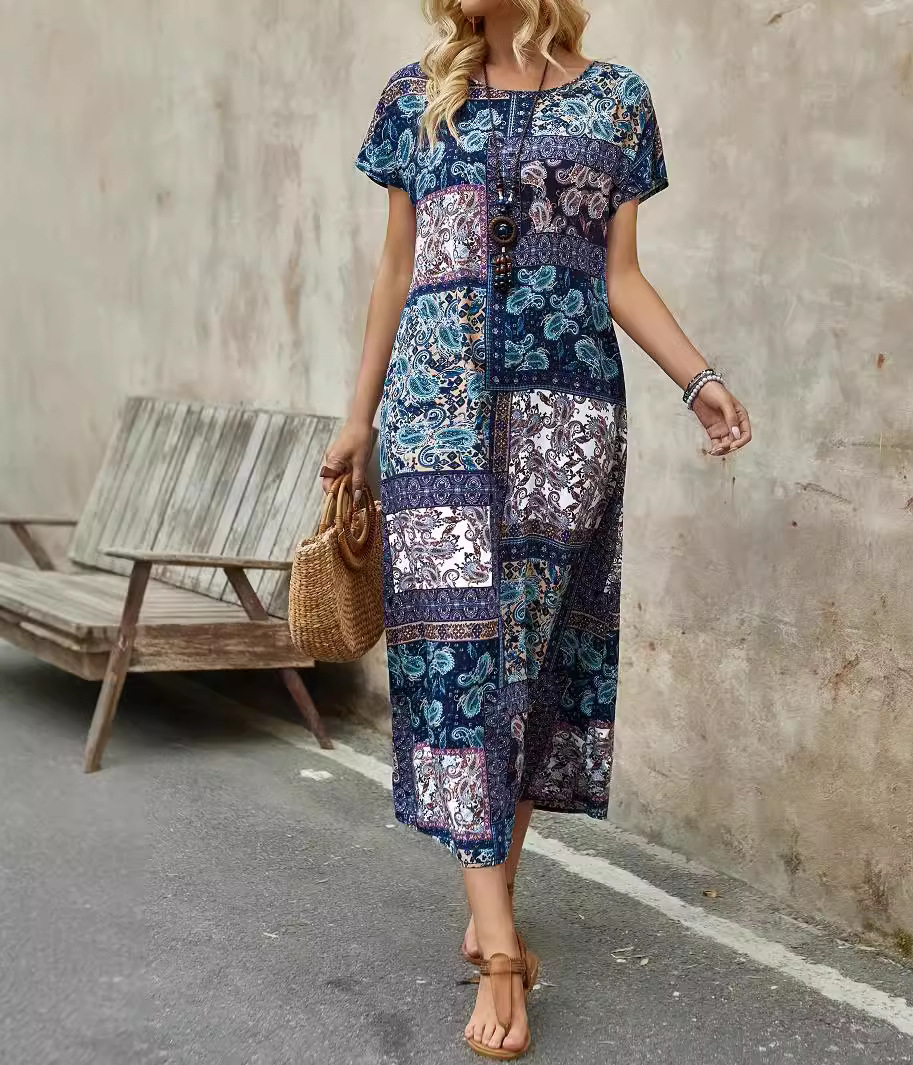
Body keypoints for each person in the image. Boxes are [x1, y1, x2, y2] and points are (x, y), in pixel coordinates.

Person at [321, 0, 752, 1057]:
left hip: (567, 414)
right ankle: (502, 945)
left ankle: (491, 902)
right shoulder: (416, 97)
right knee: (460, 660)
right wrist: (358, 418)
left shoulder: (617, 103)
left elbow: (618, 276)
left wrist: (696, 377)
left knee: (531, 660)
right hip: (436, 413)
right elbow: (396, 270)